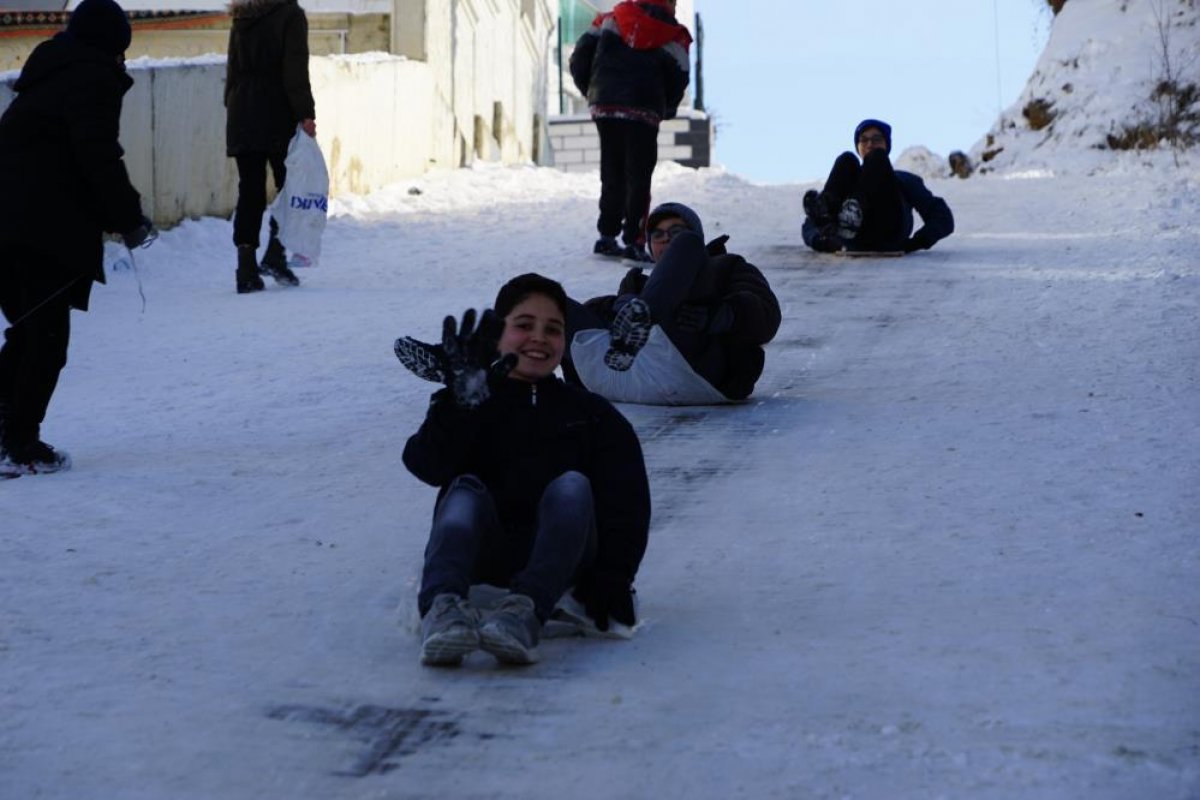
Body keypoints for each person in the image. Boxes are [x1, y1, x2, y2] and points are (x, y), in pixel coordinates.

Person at [395, 274, 652, 667]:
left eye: (553, 329)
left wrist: (614, 577)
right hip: (485, 557)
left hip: (563, 565)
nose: (539, 338)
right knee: (463, 489)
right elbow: (425, 465)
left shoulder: (591, 414)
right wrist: (457, 407)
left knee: (572, 486)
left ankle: (524, 611)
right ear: (498, 333)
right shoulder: (473, 401)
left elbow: (627, 503)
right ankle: (443, 608)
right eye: (524, 325)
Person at [0, 0, 154, 477]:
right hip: (41, 224)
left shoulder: (51, 72)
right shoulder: (91, 79)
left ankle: (9, 434)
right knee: (45, 339)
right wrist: (128, 218)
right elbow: (97, 156)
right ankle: (19, 445)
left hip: (14, 219)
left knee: (29, 331)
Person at [564, 202, 781, 405]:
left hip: (694, 366)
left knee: (687, 245)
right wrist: (614, 305)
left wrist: (720, 316)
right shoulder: (636, 284)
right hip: (633, 372)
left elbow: (767, 316)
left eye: (676, 232)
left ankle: (642, 317)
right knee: (549, 300)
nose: (666, 239)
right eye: (657, 235)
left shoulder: (726, 267)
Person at [569, 0, 691, 263]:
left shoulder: (610, 19)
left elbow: (579, 57)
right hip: (644, 110)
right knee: (639, 175)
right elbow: (679, 78)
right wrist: (665, 108)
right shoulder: (675, 35)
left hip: (606, 104)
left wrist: (593, 90)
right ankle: (634, 242)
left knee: (611, 169)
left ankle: (607, 236)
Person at [225, 0, 316, 294]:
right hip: (278, 110)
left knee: (250, 189)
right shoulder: (290, 15)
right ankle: (276, 254)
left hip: (242, 110)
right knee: (289, 186)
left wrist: (233, 105)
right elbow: (295, 69)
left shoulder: (241, 15)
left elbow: (232, 67)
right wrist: (306, 114)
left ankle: (246, 268)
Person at [802, 118, 955, 255]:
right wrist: (821, 241)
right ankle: (833, 220)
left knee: (877, 157)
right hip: (852, 238)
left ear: (887, 145)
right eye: (864, 140)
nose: (870, 144)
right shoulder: (848, 178)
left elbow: (943, 217)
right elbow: (808, 225)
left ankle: (853, 211)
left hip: (888, 232)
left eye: (876, 139)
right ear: (858, 146)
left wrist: (915, 243)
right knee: (846, 159)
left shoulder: (903, 179)